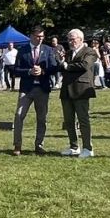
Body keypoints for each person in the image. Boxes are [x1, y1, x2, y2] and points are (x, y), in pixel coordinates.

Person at [11, 26, 56, 156]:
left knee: (42, 118)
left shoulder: (48, 50)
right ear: (31, 36)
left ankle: (39, 145)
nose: (40, 39)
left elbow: (54, 68)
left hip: (42, 88)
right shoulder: (22, 50)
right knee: (19, 115)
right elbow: (16, 69)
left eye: (42, 36)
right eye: (37, 36)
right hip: (26, 89)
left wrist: (43, 71)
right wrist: (29, 71)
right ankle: (17, 145)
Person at [59, 29, 99, 158]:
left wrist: (67, 66)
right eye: (69, 39)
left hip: (81, 90)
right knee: (68, 120)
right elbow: (62, 68)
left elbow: (85, 65)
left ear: (81, 39)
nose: (71, 42)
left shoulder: (90, 52)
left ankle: (88, 148)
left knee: (83, 120)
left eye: (73, 39)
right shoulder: (68, 53)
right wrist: (61, 63)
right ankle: (74, 147)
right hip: (67, 89)